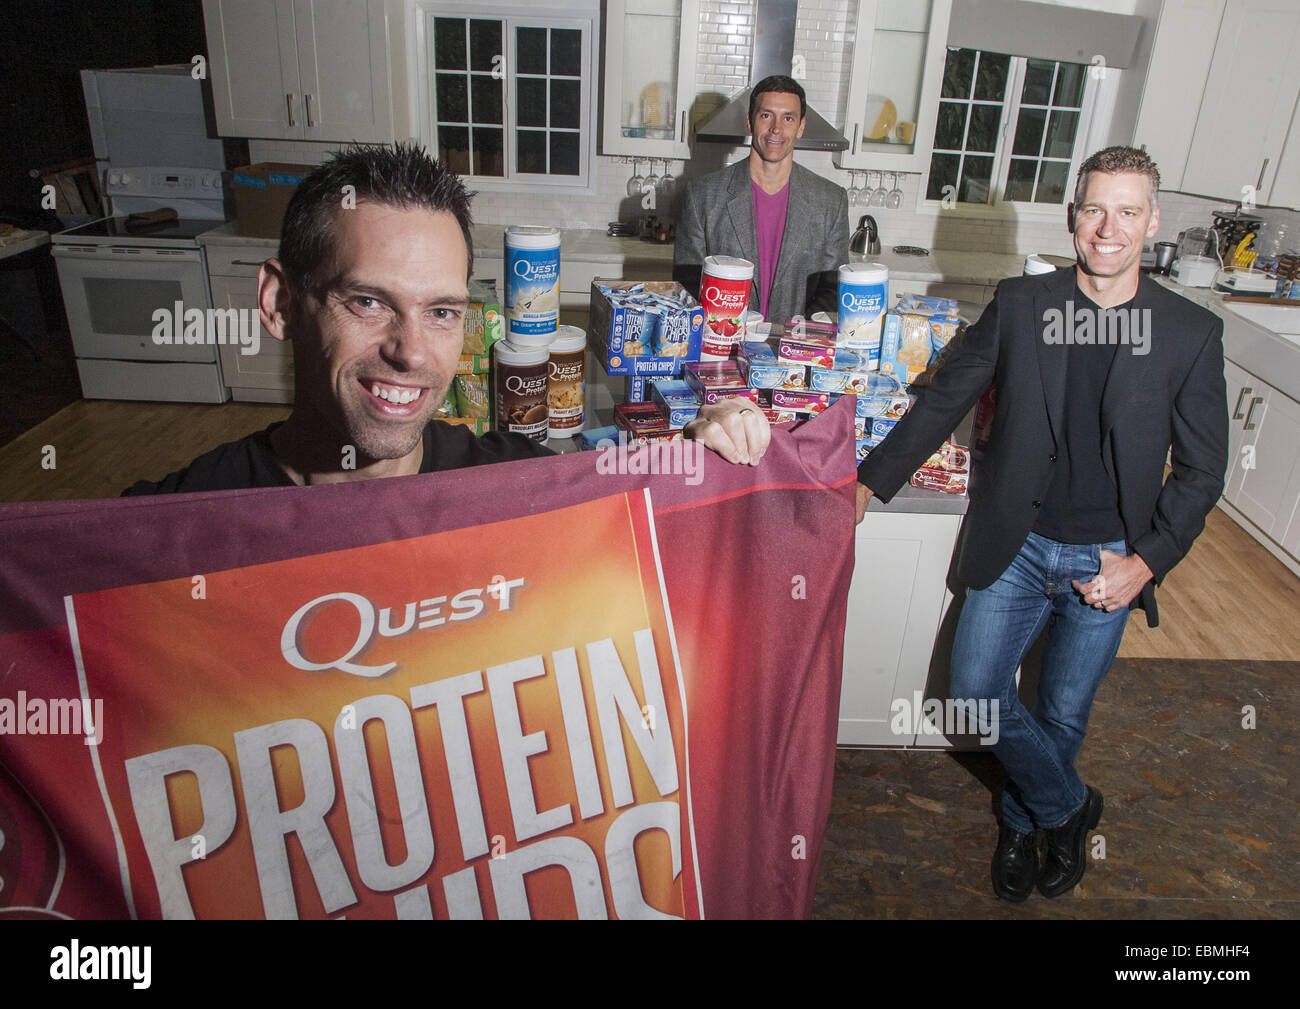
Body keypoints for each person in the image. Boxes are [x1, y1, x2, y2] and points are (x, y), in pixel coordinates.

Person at [855, 146, 1228, 901]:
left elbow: (1201, 471)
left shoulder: (1189, 333)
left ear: (1153, 221)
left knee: (1061, 711)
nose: (1108, 227)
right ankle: (1068, 805)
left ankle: (1024, 824)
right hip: (1016, 546)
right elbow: (944, 393)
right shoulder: (1024, 306)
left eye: (1128, 211)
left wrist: (1146, 561)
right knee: (974, 693)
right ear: (1072, 216)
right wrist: (867, 483)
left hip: (1109, 558)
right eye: (1095, 208)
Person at [124, 143, 770, 495]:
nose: (409, 351)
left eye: (440, 311)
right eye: (368, 302)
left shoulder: (512, 485)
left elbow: (642, 505)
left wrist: (709, 444)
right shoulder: (180, 522)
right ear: (280, 304)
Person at [672, 75, 848, 326]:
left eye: (788, 118)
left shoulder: (831, 201)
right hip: (723, 350)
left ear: (800, 126)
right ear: (749, 122)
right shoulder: (702, 195)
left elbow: (833, 290)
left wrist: (795, 339)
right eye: (766, 115)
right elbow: (687, 287)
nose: (776, 129)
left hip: (794, 352)